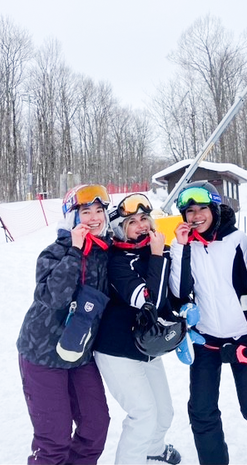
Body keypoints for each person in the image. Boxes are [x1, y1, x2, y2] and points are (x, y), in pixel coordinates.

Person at [169, 181, 247, 465]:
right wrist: (180, 247)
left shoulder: (238, 241)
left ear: (215, 209)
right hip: (206, 339)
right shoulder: (186, 244)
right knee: (201, 411)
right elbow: (179, 291)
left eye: (202, 208)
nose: (196, 216)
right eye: (189, 211)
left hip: (243, 338)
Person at [17, 184, 112, 465]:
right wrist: (75, 251)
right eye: (86, 212)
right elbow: (53, 296)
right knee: (54, 441)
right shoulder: (54, 253)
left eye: (99, 211)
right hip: (42, 354)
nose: (94, 218)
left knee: (95, 427)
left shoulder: (106, 252)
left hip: (80, 354)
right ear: (72, 218)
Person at [92, 193, 182, 464]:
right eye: (132, 222)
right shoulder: (117, 260)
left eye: (144, 218)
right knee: (143, 414)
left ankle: (153, 449)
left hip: (146, 345)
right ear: (120, 228)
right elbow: (150, 302)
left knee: (164, 412)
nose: (142, 225)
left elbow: (176, 293)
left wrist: (177, 250)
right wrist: (157, 254)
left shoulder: (155, 250)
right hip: (116, 349)